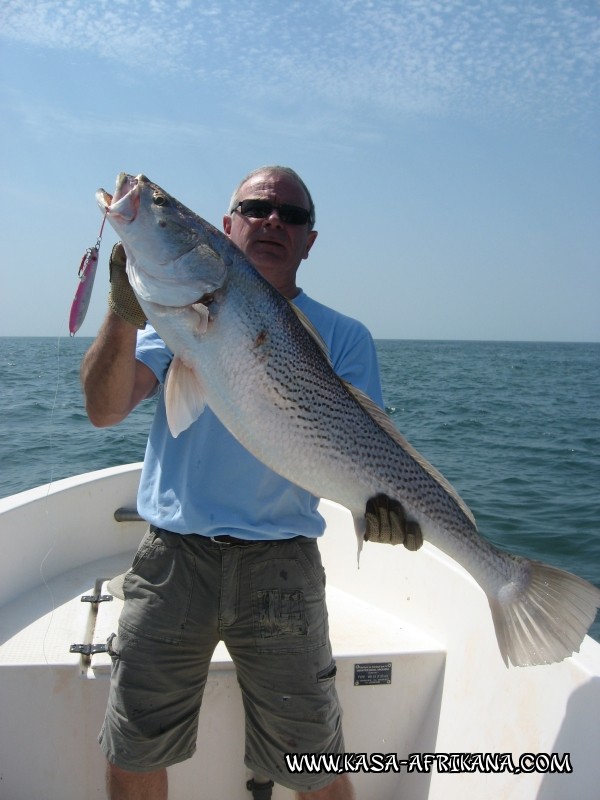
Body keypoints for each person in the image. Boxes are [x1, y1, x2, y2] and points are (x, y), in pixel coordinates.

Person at [81, 166, 421, 800]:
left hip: (283, 568)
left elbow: (370, 454)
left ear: (309, 241)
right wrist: (122, 314)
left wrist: (385, 511)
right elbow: (105, 409)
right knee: (133, 750)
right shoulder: (175, 315)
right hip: (173, 561)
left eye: (290, 216)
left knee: (316, 767)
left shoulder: (345, 337)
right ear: (227, 224)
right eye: (255, 207)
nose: (272, 220)